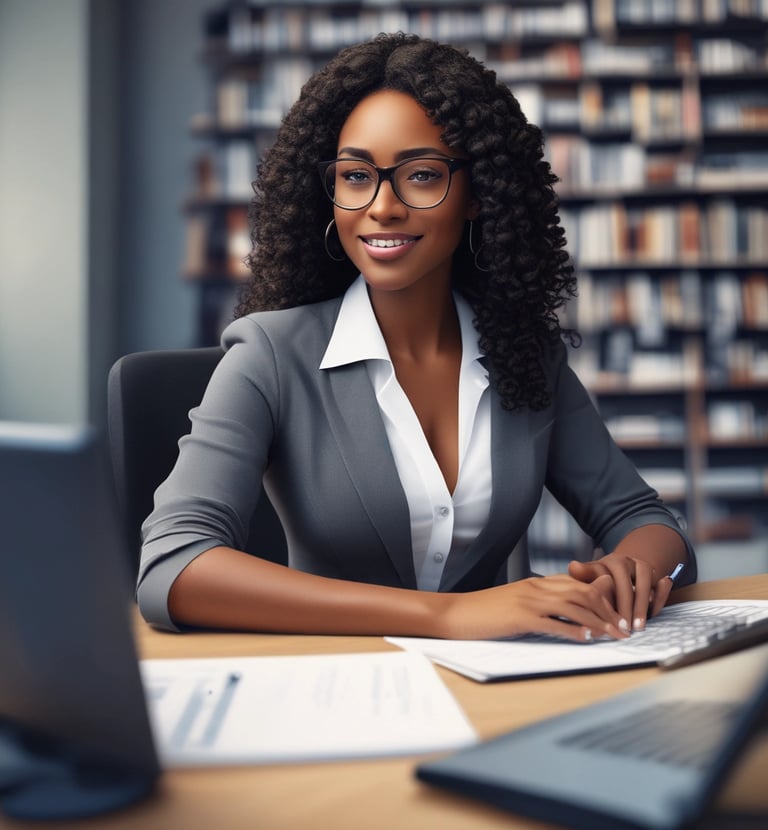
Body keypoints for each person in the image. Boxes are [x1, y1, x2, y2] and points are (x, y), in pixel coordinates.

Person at [138, 32, 695, 641]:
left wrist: (632, 571)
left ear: (480, 195)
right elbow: (174, 566)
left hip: (500, 687)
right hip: (336, 686)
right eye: (356, 177)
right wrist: (448, 616)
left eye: (422, 175)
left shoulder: (525, 356)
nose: (381, 206)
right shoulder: (268, 356)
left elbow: (643, 518)